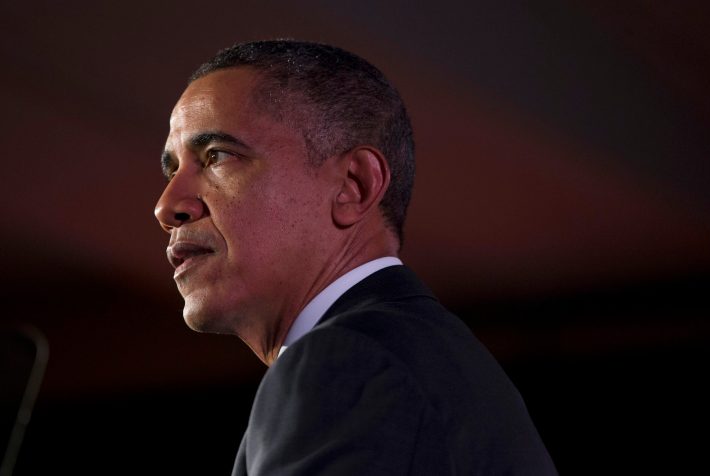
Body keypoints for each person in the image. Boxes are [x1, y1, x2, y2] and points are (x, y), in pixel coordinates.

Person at [154, 39, 557, 475]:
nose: (167, 205)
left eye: (217, 156)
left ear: (354, 185)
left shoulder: (349, 363)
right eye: (173, 169)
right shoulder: (424, 359)